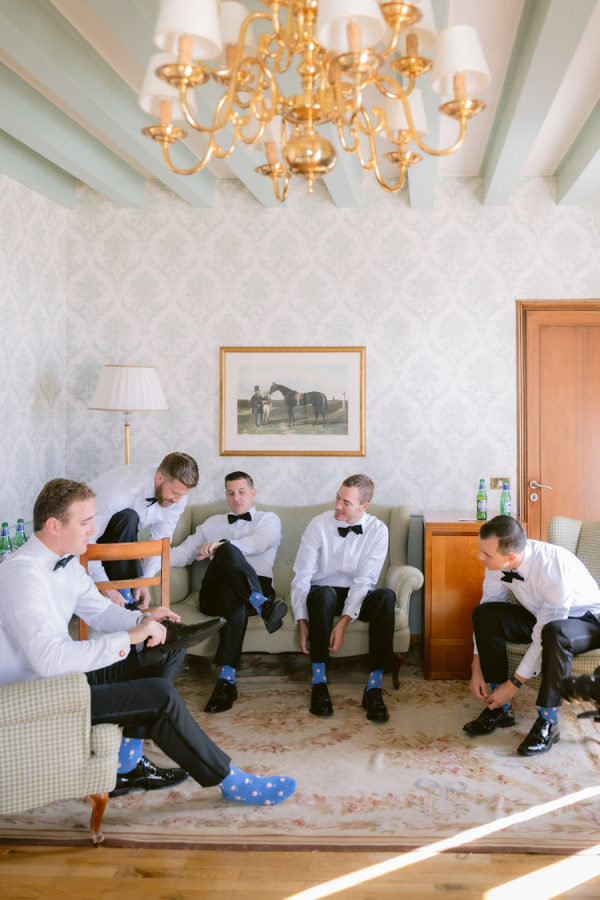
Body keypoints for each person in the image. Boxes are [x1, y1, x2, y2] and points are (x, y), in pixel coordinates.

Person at [0, 479, 297, 806]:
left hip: (62, 679)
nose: (94, 530)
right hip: (35, 695)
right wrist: (129, 637)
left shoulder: (66, 560)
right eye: (85, 522)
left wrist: (144, 620)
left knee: (166, 648)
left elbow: (101, 612)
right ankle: (230, 781)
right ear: (54, 525)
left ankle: (127, 766)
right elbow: (48, 661)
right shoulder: (22, 575)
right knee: (159, 695)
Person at [464, 514, 600, 756]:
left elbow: (544, 635)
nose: (480, 557)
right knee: (484, 614)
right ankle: (500, 709)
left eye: (486, 554)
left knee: (555, 633)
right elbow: (489, 603)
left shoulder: (553, 567)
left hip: (587, 622)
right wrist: (477, 667)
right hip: (541, 618)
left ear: (511, 557)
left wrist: (513, 684)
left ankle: (548, 720)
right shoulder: (496, 563)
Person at [171, 471, 286, 713]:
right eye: (231, 493)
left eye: (242, 492)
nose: (236, 498)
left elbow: (260, 543)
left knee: (235, 598)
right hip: (216, 591)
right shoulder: (212, 523)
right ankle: (262, 605)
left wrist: (223, 547)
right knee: (228, 566)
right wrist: (149, 559)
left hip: (257, 585)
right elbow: (184, 553)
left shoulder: (268, 519)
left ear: (253, 493)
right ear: (226, 494)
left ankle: (226, 681)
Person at [290, 474, 396, 723]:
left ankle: (373, 687)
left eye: (346, 502)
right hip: (322, 595)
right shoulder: (318, 524)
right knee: (323, 593)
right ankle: (319, 683)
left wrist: (343, 623)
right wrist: (302, 622)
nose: (337, 505)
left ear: (364, 506)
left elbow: (364, 581)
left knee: (386, 597)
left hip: (357, 594)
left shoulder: (378, 530)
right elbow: (302, 576)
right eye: (337, 498)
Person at [88, 452, 198, 608]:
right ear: (159, 478)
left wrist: (144, 581)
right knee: (128, 517)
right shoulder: (123, 488)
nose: (177, 500)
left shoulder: (178, 497)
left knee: (132, 527)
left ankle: (129, 603)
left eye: (182, 495)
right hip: (82, 545)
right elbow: (86, 540)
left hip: (120, 550)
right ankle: (128, 603)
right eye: (175, 493)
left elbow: (161, 541)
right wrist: (105, 586)